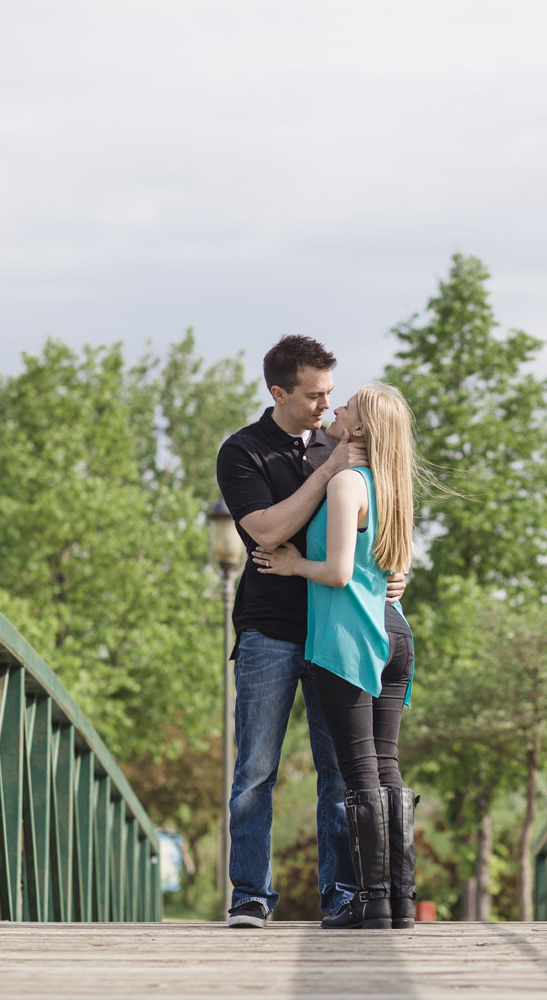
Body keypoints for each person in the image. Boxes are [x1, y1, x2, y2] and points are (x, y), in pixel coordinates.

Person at [215, 336, 406, 929]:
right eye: (315, 394)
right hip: (270, 631)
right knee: (256, 769)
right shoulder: (244, 452)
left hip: (341, 632)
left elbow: (383, 507)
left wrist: (395, 570)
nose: (328, 405)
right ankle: (250, 895)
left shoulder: (345, 440)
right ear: (279, 392)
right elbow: (268, 533)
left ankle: (345, 894)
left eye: (332, 393)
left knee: (339, 771)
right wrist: (328, 470)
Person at [254, 382, 418, 930]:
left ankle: (372, 904)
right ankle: (399, 901)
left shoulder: (348, 480)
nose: (336, 408)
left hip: (350, 636)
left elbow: (340, 573)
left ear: (361, 429)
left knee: (359, 775)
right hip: (395, 633)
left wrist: (292, 565)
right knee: (387, 767)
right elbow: (394, 571)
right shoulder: (393, 483)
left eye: (346, 406)